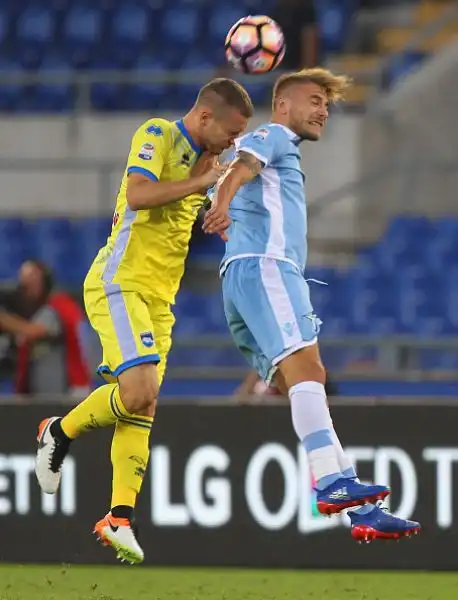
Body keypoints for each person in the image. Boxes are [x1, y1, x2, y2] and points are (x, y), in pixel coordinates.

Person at [35, 78, 253, 564]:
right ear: (203, 118)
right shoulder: (157, 133)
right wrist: (202, 183)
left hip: (160, 298)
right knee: (136, 390)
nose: (232, 143)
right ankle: (60, 432)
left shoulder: (207, 163)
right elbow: (138, 195)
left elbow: (186, 214)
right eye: (230, 132)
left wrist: (216, 213)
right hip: (121, 281)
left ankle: (119, 517)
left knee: (144, 402)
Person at [203, 68, 420, 542]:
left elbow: (230, 177)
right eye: (316, 100)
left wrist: (219, 207)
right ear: (284, 105)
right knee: (310, 375)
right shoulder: (274, 135)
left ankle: (360, 511)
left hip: (240, 277)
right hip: (267, 268)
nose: (324, 111)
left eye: (327, 104)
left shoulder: (272, 148)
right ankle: (332, 482)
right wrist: (221, 203)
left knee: (303, 382)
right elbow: (240, 171)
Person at [0, 260, 91, 396]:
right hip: (40, 388)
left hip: (64, 389)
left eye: (32, 279)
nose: (26, 286)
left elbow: (34, 331)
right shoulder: (33, 310)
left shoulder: (58, 306)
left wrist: (4, 320)